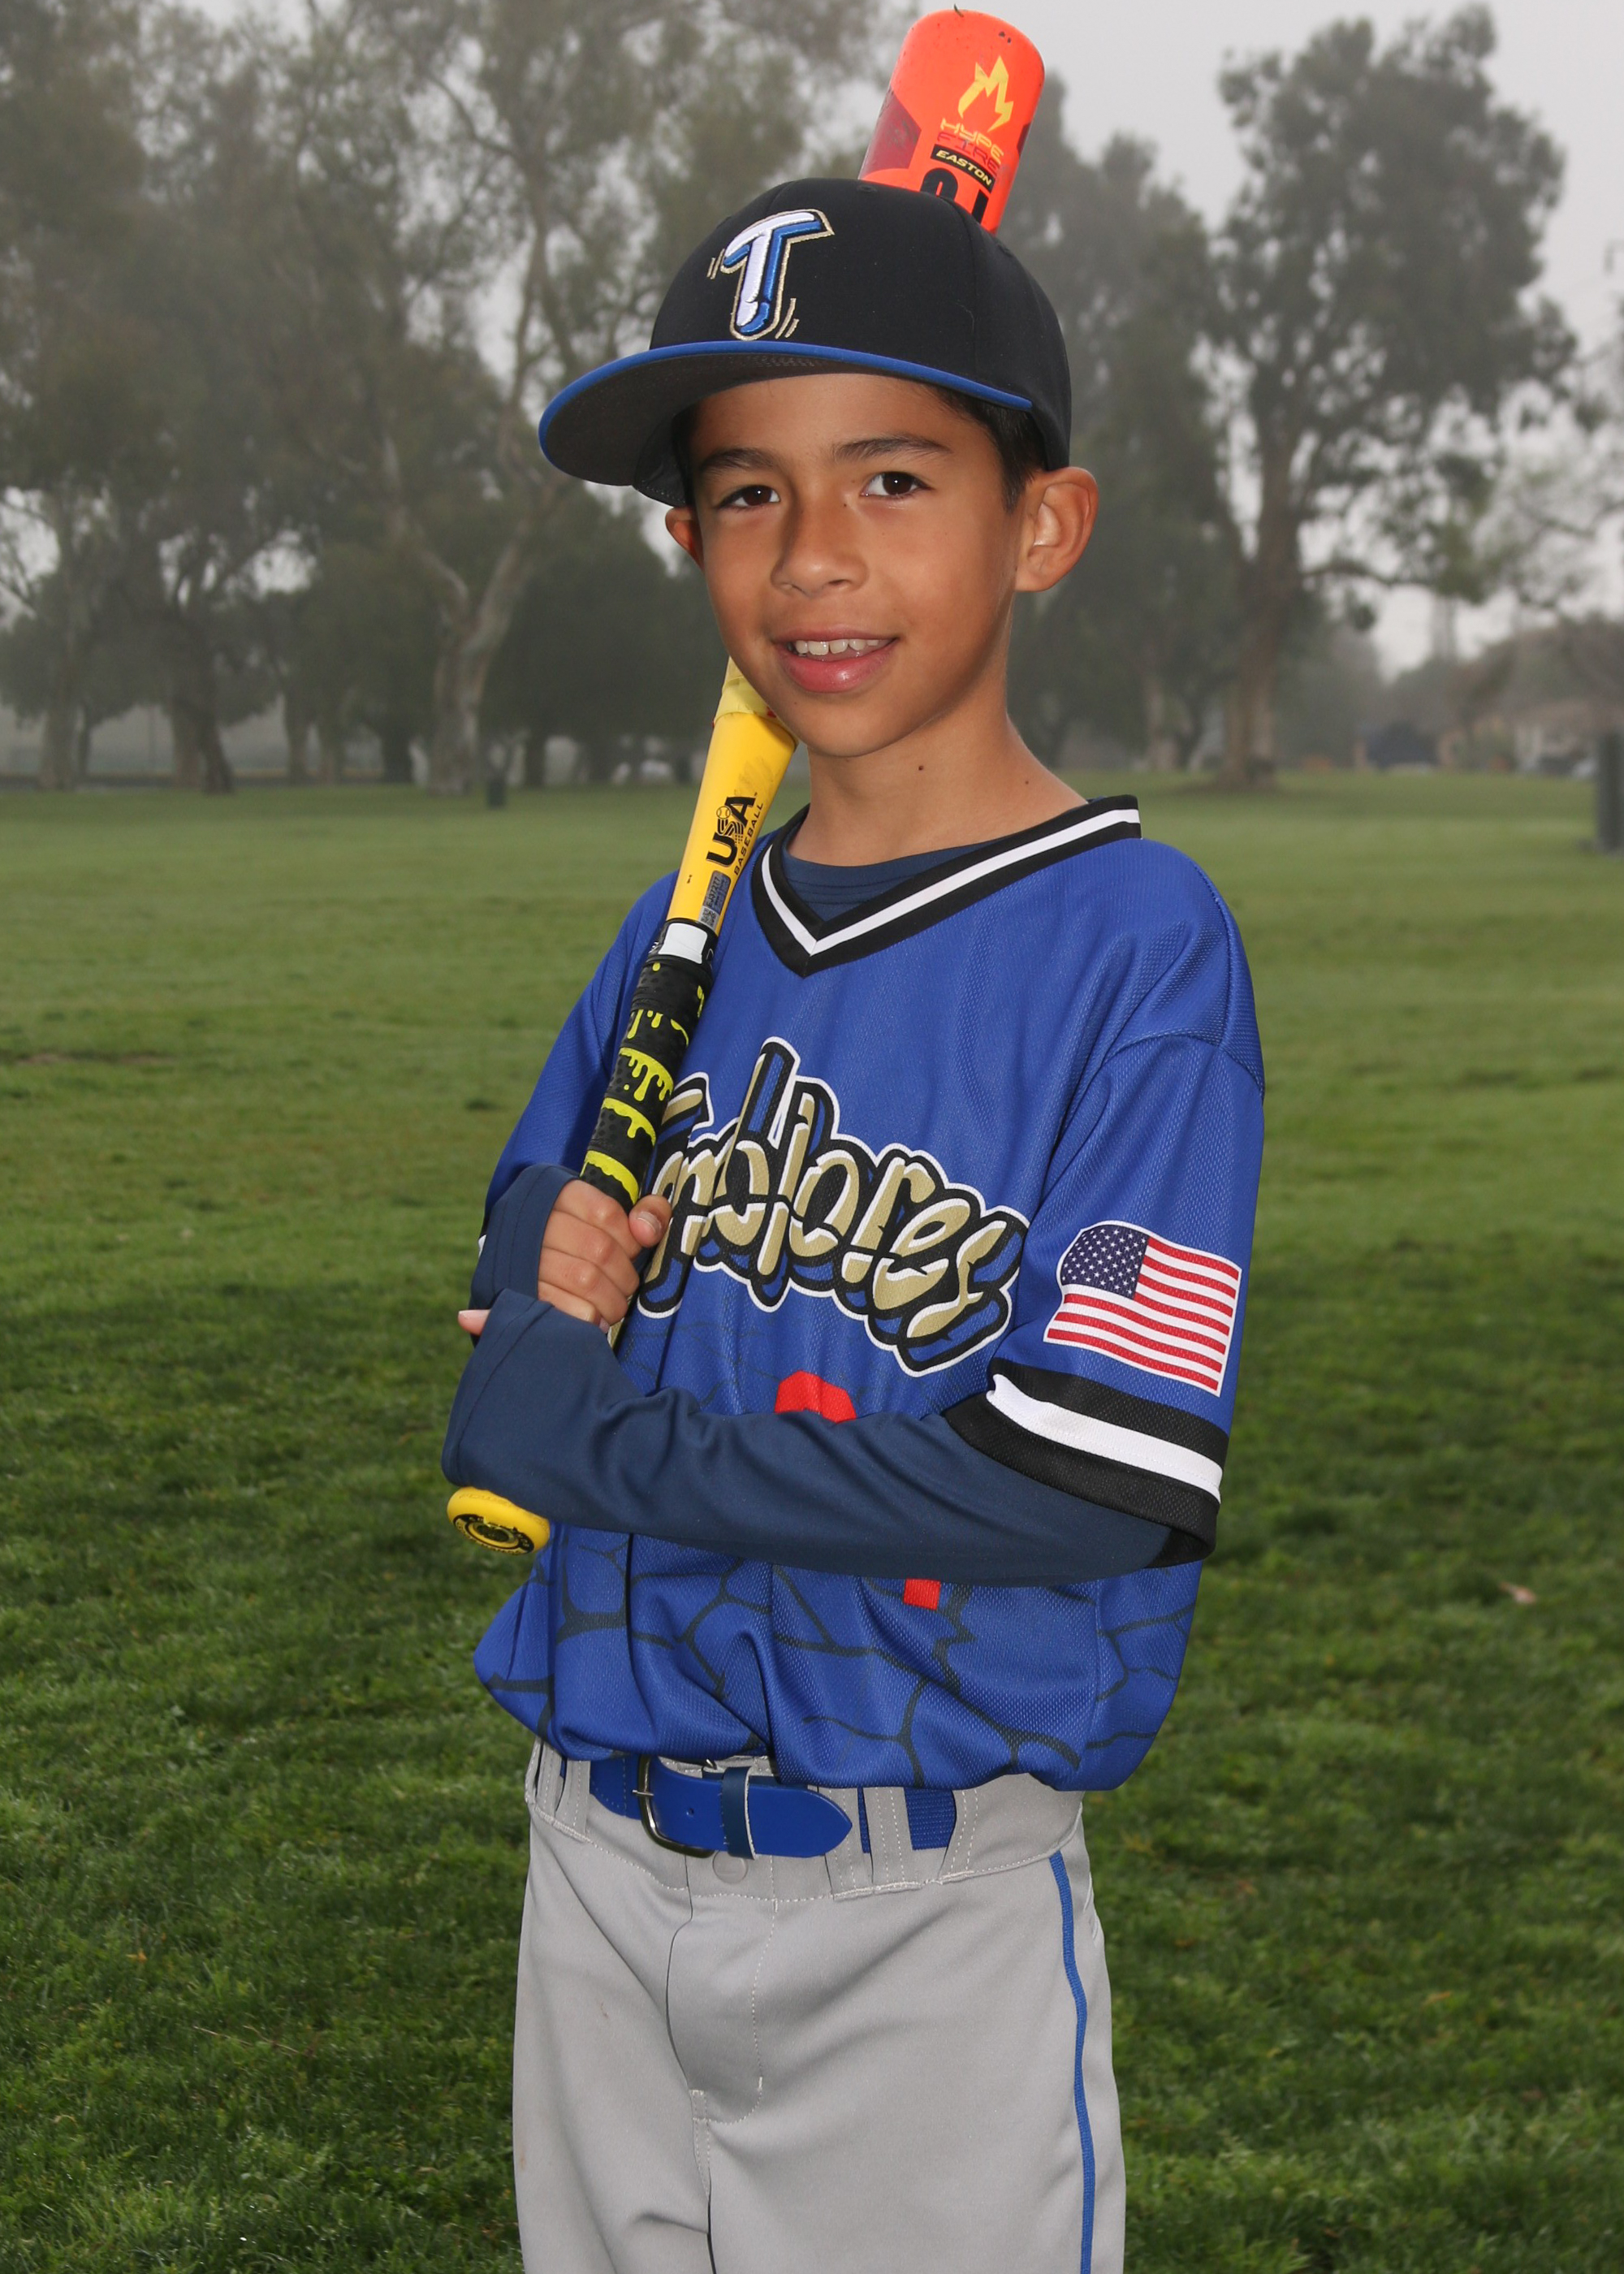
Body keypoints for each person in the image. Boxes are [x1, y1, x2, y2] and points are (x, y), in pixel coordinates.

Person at [443, 175, 1263, 2274]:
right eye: (747, 493)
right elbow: (539, 1224)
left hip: (922, 1914)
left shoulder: (1140, 950)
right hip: (596, 1869)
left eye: (892, 479)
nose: (812, 554)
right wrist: (536, 1270)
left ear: (1042, 525)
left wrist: (597, 1435)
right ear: (689, 541)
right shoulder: (686, 925)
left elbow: (1092, 1476)